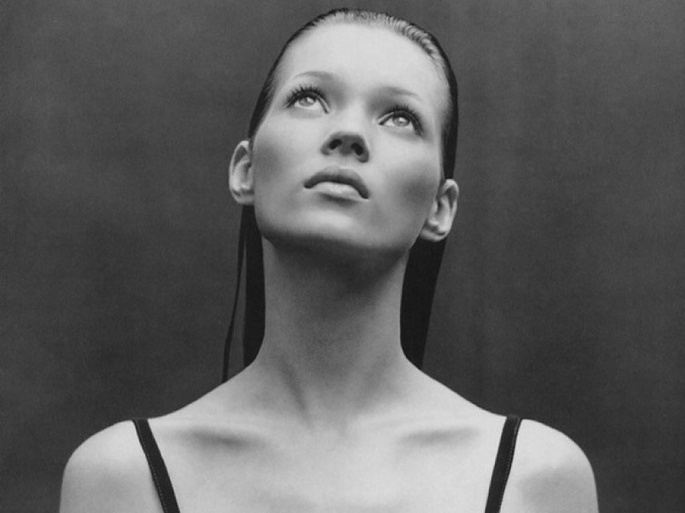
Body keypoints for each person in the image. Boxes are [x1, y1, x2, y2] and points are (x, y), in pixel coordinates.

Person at [59, 8, 598, 513]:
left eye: (399, 117)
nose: (349, 133)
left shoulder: (535, 477)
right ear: (245, 170)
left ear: (440, 207)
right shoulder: (121, 478)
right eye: (310, 98)